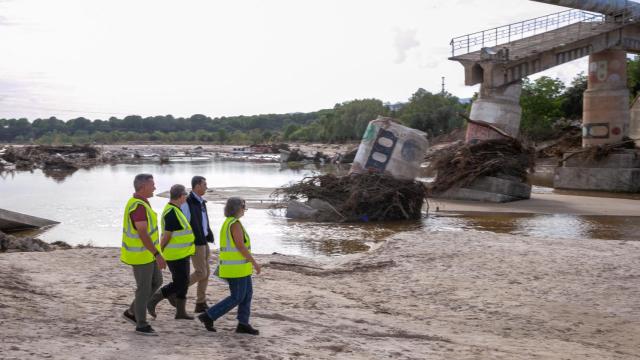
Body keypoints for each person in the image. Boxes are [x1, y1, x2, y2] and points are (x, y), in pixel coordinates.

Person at [197, 197, 261, 335]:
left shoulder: (229, 222)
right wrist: (254, 262)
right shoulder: (234, 224)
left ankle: (243, 324)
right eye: (244, 207)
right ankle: (209, 316)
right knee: (237, 297)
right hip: (235, 269)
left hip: (240, 268)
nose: (245, 210)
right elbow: (240, 246)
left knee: (247, 294)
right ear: (238, 208)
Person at [121, 173, 166, 336]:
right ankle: (141, 324)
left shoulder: (142, 203)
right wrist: (157, 254)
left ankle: (132, 311)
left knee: (157, 281)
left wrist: (156, 253)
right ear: (142, 187)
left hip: (147, 254)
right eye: (152, 184)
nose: (155, 187)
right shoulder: (138, 206)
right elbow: (142, 233)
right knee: (144, 288)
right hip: (141, 255)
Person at [146, 184, 196, 320]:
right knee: (181, 282)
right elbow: (166, 236)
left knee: (183, 282)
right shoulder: (172, 212)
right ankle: (153, 300)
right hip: (175, 255)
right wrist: (158, 254)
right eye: (185, 194)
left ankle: (180, 312)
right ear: (181, 196)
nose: (186, 196)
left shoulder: (176, 209)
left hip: (183, 253)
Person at [181, 176, 214, 313]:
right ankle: (177, 289)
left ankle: (200, 303)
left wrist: (209, 233)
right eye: (204, 184)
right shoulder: (188, 202)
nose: (206, 187)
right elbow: (185, 223)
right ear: (197, 186)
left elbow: (203, 221)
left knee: (206, 273)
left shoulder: (201, 202)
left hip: (204, 241)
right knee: (201, 272)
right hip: (195, 242)